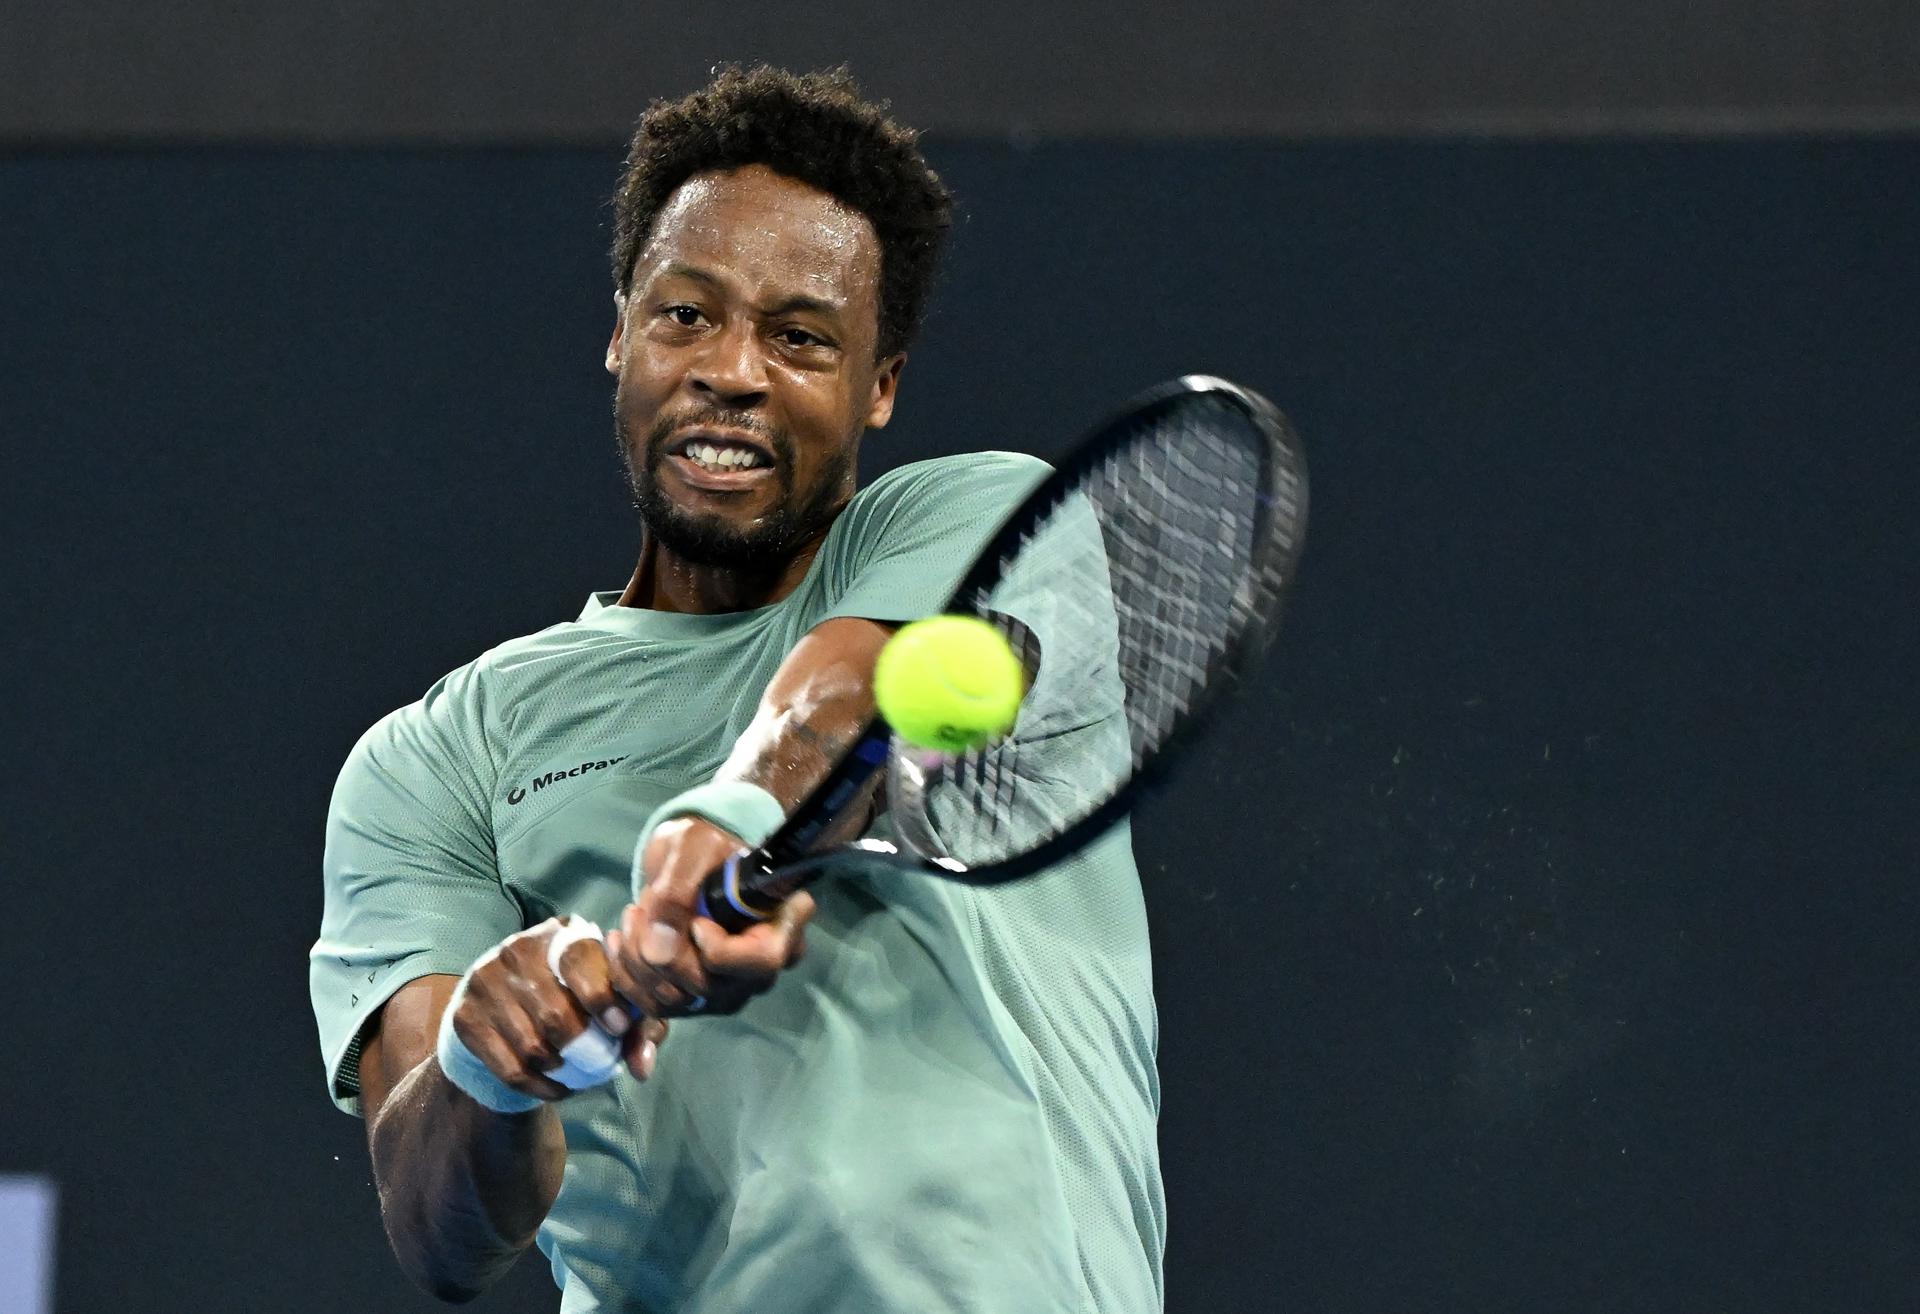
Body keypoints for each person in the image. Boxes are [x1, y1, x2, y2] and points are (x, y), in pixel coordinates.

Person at [310, 64, 1163, 1313]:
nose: (734, 372)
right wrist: (497, 1067)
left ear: (879, 387)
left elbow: (845, 698)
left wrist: (708, 842)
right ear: (619, 332)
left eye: (801, 337)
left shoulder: (986, 521)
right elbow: (440, 1234)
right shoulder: (438, 759)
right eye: (687, 316)